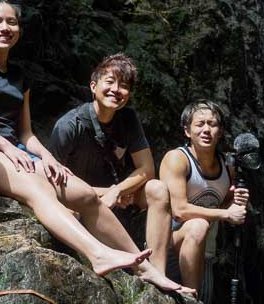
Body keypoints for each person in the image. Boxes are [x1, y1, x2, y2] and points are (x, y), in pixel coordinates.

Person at [0, 0, 191, 293]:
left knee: (84, 194)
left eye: (12, 22)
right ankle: (97, 254)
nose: (5, 27)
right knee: (39, 190)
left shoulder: (20, 75)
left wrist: (48, 159)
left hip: (16, 150)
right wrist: (7, 149)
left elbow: (27, 133)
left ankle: (146, 269)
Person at [48, 54, 177, 278]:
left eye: (124, 85)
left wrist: (118, 190)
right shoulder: (69, 126)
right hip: (81, 198)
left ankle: (156, 272)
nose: (116, 90)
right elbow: (51, 182)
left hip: (119, 194)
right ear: (93, 85)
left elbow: (147, 169)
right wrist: (107, 193)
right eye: (110, 82)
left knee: (158, 189)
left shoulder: (128, 119)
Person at [159, 99, 250, 290]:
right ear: (187, 131)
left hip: (206, 253)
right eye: (199, 124)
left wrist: (233, 201)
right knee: (198, 225)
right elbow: (180, 211)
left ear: (221, 131)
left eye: (213, 124)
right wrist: (226, 214)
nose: (206, 130)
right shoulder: (177, 159)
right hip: (169, 247)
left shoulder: (227, 165)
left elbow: (222, 204)